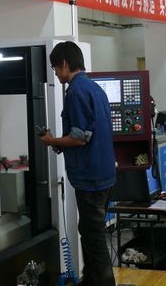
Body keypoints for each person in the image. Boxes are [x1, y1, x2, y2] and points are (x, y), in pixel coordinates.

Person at [39, 41, 116, 286]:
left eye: (55, 67)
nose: (55, 73)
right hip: (103, 173)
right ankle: (91, 280)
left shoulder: (75, 91)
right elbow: (88, 133)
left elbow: (80, 137)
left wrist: (52, 140)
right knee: (88, 230)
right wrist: (61, 143)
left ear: (64, 63)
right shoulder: (95, 89)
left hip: (90, 177)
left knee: (94, 237)